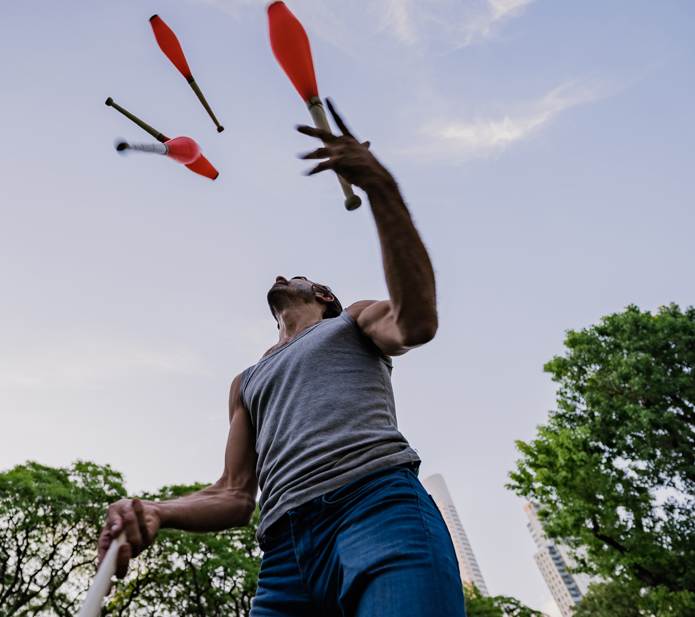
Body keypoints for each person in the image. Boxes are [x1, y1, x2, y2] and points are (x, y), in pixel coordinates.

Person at [98, 100, 465, 617]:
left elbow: (417, 321)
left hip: (376, 507)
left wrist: (381, 189)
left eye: (296, 274)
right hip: (284, 554)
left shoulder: (351, 321)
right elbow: (233, 493)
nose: (280, 274)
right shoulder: (246, 381)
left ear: (323, 295)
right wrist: (156, 510)